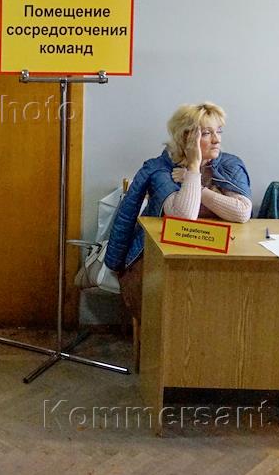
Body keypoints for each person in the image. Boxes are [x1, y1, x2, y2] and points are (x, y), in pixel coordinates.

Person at [105, 101, 251, 317]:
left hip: (215, 253)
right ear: (186, 138)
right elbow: (184, 217)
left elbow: (241, 212)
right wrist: (193, 167)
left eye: (219, 131)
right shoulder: (161, 168)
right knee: (176, 306)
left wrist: (198, 187)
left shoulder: (228, 164)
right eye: (207, 133)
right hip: (162, 257)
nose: (217, 140)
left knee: (227, 301)